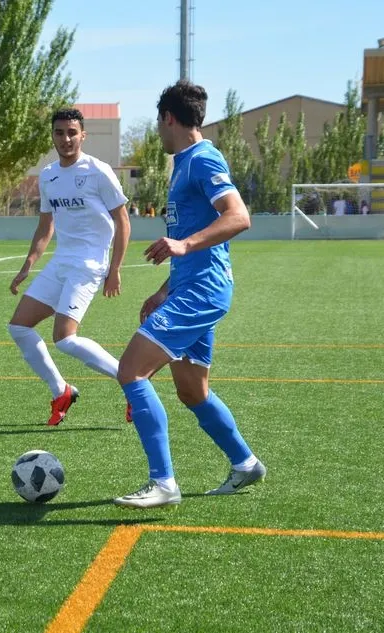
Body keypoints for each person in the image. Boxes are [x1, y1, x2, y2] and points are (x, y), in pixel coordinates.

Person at [112, 80, 264, 508]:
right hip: (191, 287)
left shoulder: (202, 158)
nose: (158, 132)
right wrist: (165, 289)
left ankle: (163, 483)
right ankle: (245, 462)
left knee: (131, 371)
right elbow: (193, 240)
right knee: (192, 390)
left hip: (203, 291)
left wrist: (183, 244)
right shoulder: (184, 164)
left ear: (168, 118)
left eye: (158, 123)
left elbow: (239, 216)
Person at [8, 108, 131, 425]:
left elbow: (123, 221)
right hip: (61, 261)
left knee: (64, 338)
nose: (66, 139)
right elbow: (45, 226)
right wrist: (28, 265)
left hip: (88, 264)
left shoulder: (98, 171)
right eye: (59, 133)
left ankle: (133, 383)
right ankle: (60, 390)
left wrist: (115, 268)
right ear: (52, 136)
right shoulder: (48, 176)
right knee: (19, 327)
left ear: (83, 135)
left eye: (72, 132)